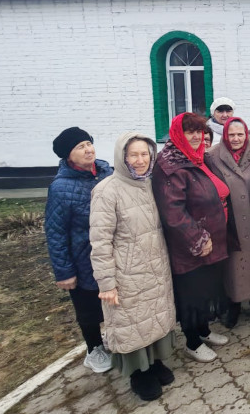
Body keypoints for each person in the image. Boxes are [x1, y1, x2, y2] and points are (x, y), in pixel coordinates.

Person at [89, 132, 176, 401]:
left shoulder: (150, 184)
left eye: (144, 154)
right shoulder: (107, 191)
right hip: (127, 273)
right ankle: (139, 374)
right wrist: (107, 283)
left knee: (153, 318)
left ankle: (155, 362)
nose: (139, 161)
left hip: (155, 266)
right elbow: (100, 241)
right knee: (131, 323)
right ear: (122, 157)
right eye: (133, 155)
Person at [152, 113, 237, 363]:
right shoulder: (170, 166)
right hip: (191, 246)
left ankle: (204, 330)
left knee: (205, 290)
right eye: (190, 132)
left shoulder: (200, 158)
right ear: (178, 134)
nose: (196, 136)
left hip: (213, 239)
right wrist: (197, 238)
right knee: (191, 294)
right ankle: (191, 341)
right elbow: (173, 212)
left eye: (199, 131)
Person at [45, 127, 113, 373]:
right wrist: (63, 271)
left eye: (88, 143)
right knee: (88, 309)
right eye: (80, 147)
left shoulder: (107, 172)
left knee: (114, 300)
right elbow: (55, 233)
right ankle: (94, 349)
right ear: (68, 156)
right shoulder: (60, 188)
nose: (88, 150)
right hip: (83, 257)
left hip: (111, 252)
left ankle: (115, 338)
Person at [205, 117, 250, 328]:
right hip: (228, 221)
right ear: (225, 136)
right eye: (232, 135)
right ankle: (234, 304)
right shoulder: (212, 156)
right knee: (232, 263)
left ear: (246, 134)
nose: (236, 138)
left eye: (240, 134)